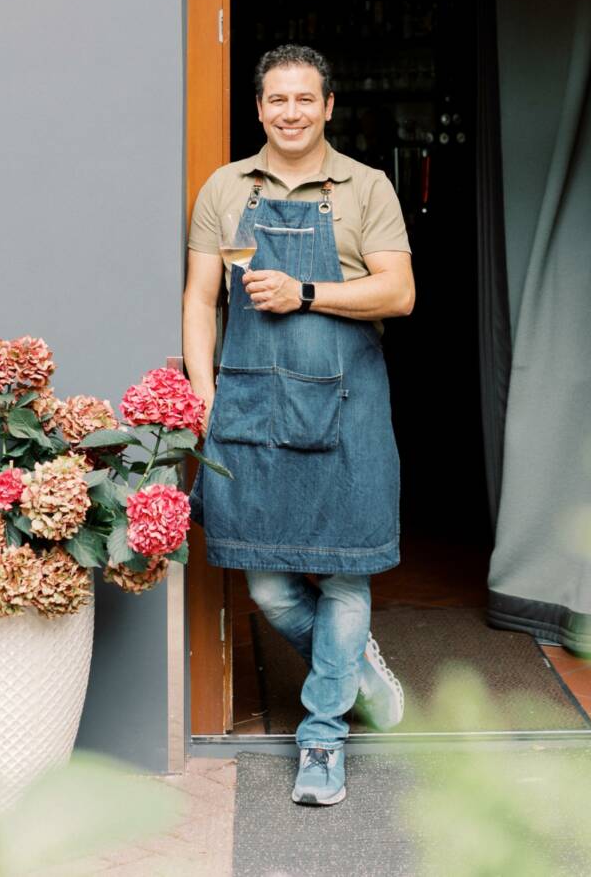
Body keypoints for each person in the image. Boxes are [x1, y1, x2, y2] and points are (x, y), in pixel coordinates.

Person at [183, 44, 415, 806]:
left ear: (328, 105)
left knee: (346, 573)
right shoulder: (224, 189)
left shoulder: (365, 188)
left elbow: (399, 294)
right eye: (276, 100)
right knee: (270, 585)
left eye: (304, 99)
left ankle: (323, 738)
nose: (290, 112)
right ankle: (354, 668)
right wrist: (204, 392)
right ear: (259, 109)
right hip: (250, 406)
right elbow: (201, 299)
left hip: (346, 404)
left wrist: (308, 291)